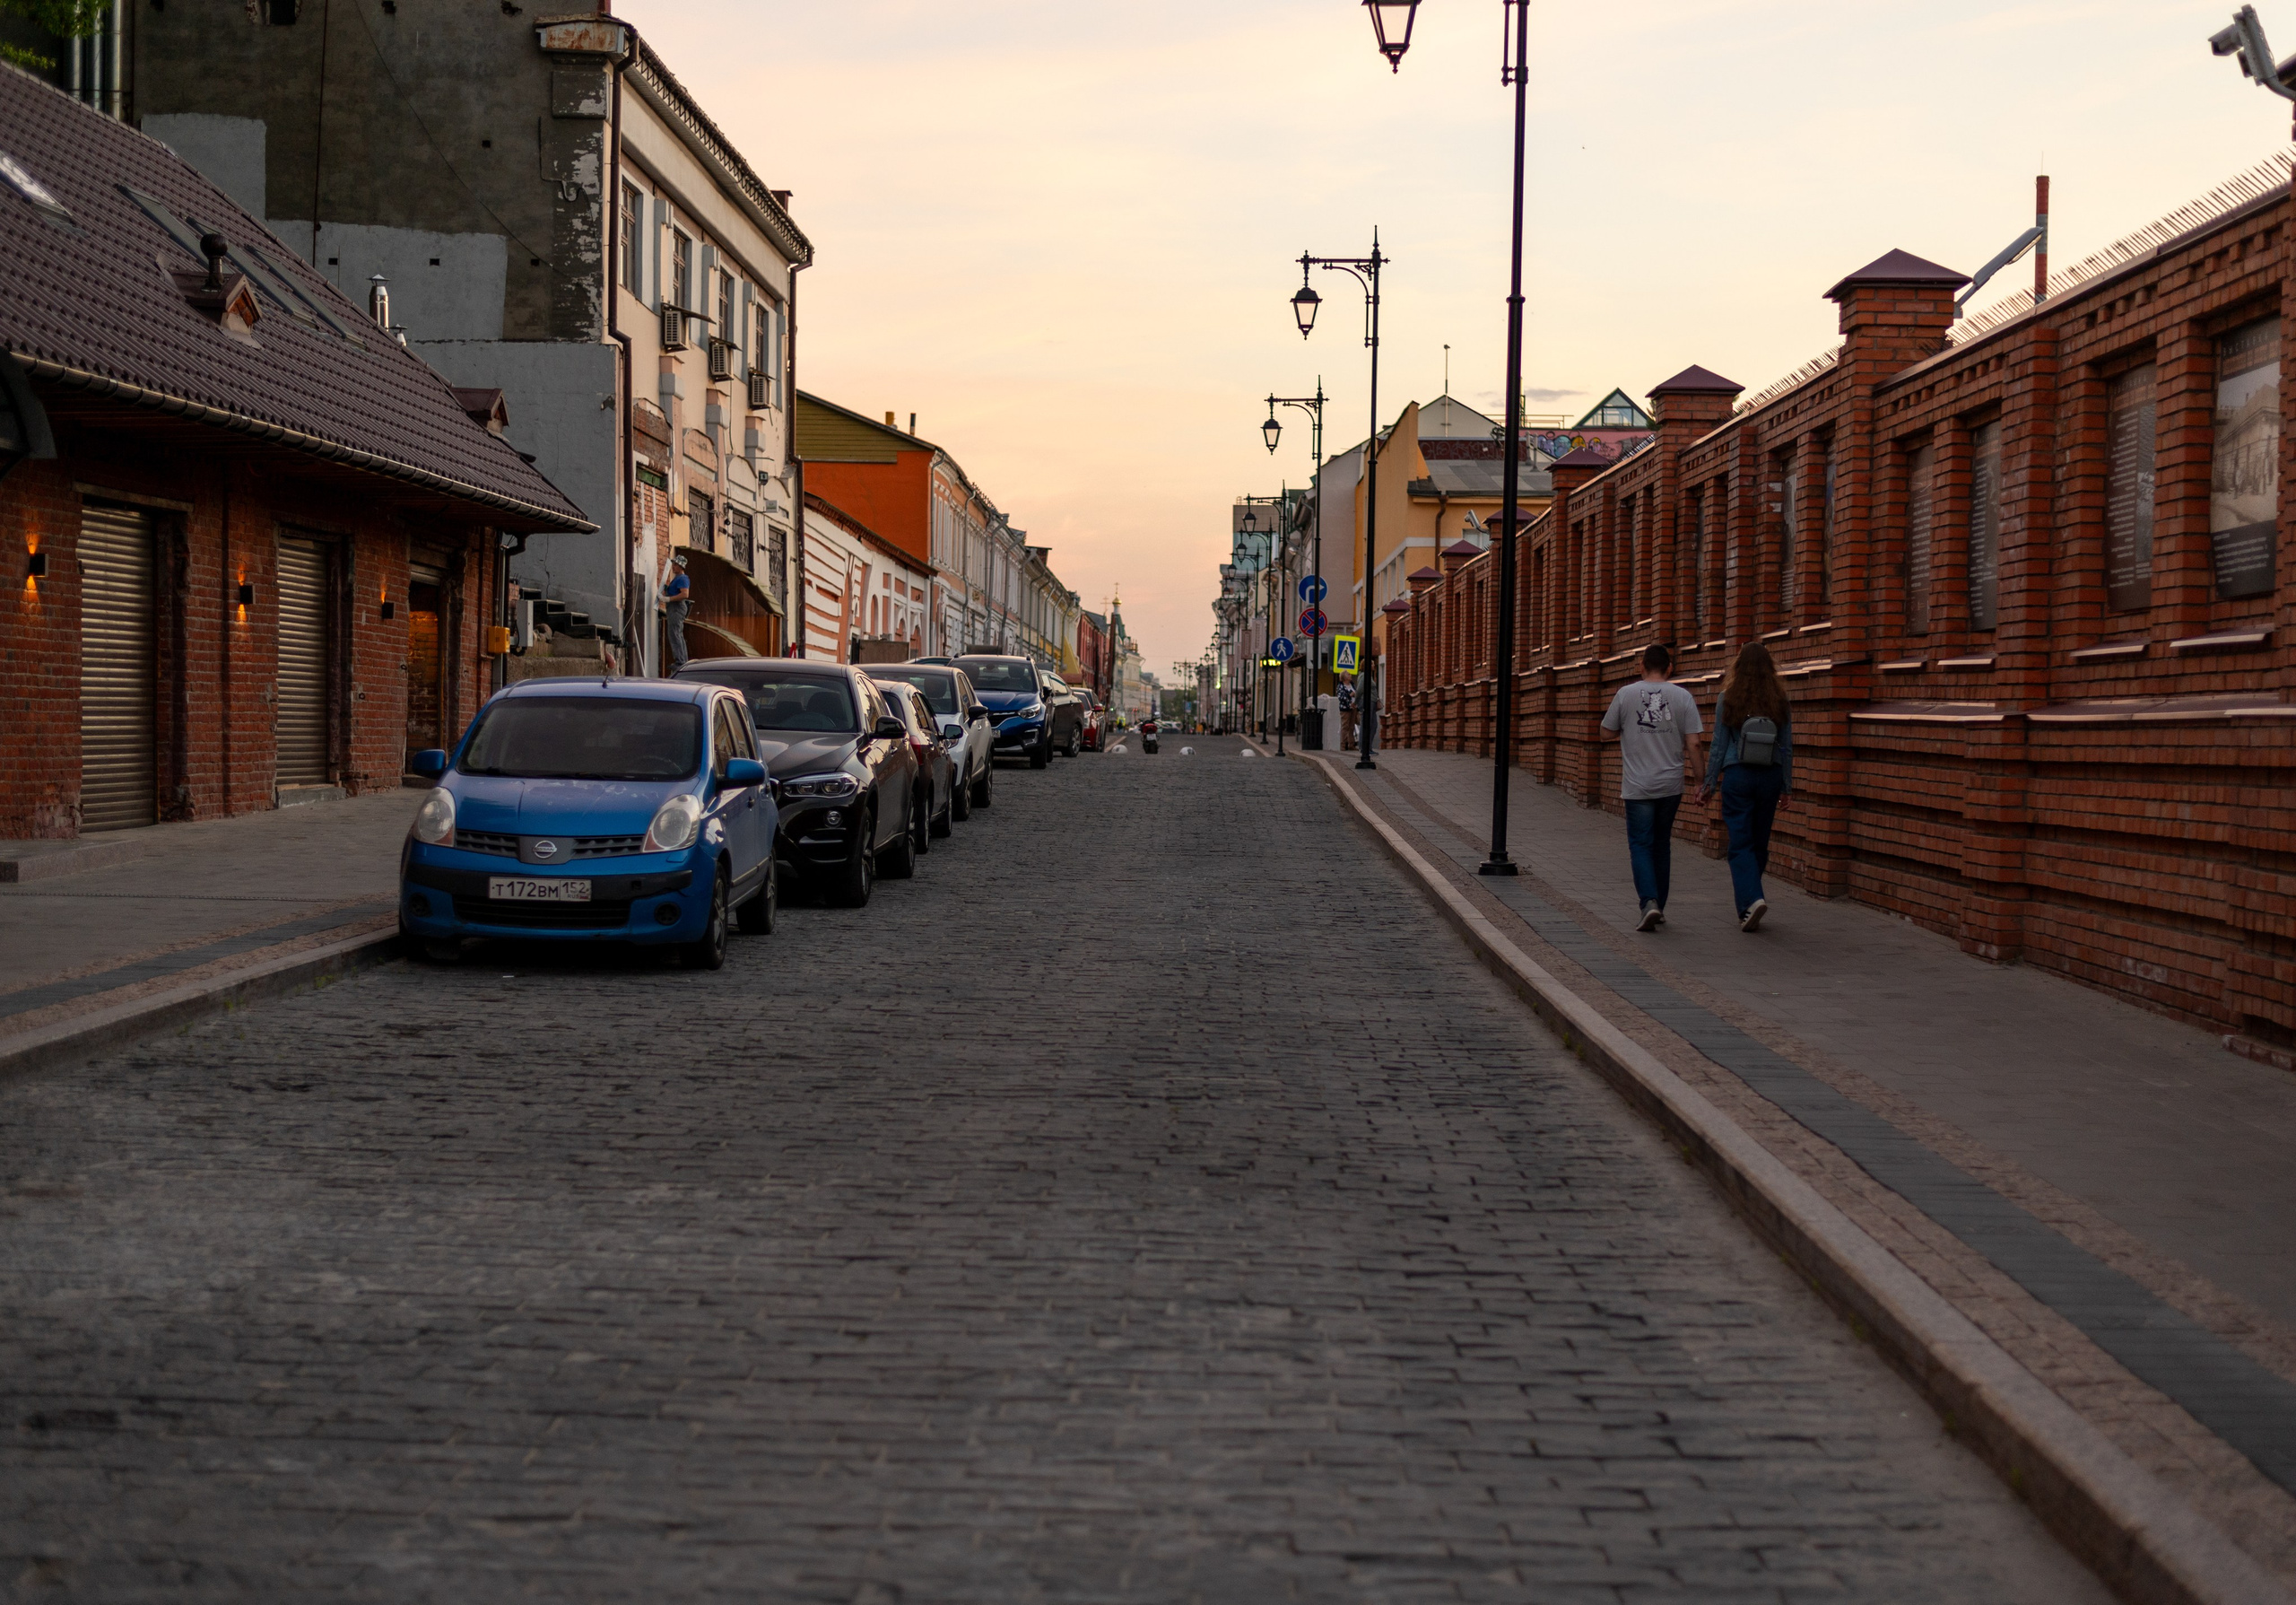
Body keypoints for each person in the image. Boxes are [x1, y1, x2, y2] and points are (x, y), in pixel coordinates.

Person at [1598, 643, 1702, 931]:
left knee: (1641, 845)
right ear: (1670, 668)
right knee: (1661, 845)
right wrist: (1701, 780)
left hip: (1638, 786)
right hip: (1671, 786)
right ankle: (1660, 905)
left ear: (1641, 666)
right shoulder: (1683, 696)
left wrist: (1627, 727)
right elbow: (1694, 742)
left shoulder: (1625, 694)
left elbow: (1605, 731)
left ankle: (1649, 903)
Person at [1699, 641, 1794, 932]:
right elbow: (1787, 747)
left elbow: (1718, 746)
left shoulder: (1729, 697)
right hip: (1770, 776)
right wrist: (1786, 787)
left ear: (1738, 666)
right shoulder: (1779, 699)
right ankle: (1751, 902)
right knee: (1759, 843)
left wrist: (1709, 783)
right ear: (1770, 668)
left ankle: (1752, 899)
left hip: (1737, 776)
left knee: (1739, 844)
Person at [660, 551, 691, 673]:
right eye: (673, 564)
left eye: (676, 565)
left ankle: (680, 661)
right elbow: (676, 591)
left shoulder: (683, 578)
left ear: (681, 566)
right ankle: (682, 660)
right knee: (677, 634)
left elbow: (685, 594)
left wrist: (668, 599)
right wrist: (668, 589)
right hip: (674, 607)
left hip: (676, 607)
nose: (673, 567)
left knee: (675, 634)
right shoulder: (678, 578)